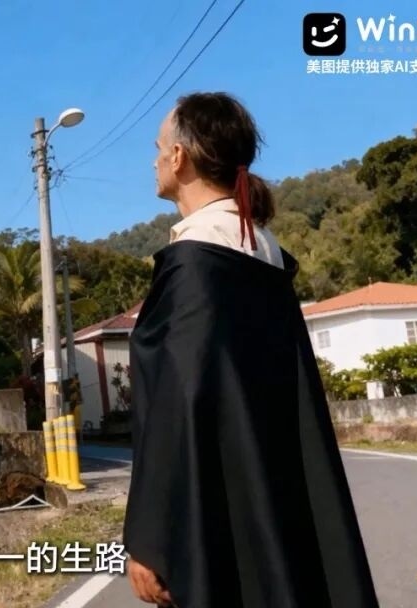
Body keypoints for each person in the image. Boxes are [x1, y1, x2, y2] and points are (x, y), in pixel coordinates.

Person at [123, 92, 379, 608]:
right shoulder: (263, 253)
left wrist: (150, 537)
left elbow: (181, 401)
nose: (153, 160)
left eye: (157, 148)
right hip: (280, 496)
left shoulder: (195, 262)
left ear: (179, 157)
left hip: (218, 511)